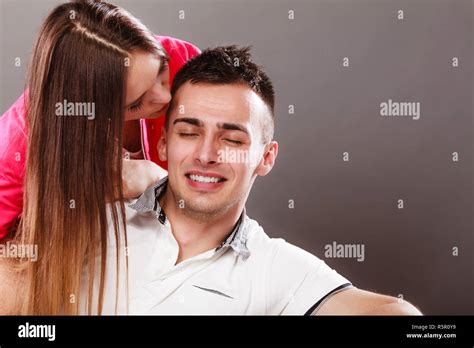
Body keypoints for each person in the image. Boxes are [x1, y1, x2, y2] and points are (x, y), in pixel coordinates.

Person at [79, 46, 423, 315]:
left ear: (266, 157)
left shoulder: (277, 269)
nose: (206, 154)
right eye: (189, 132)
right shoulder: (93, 220)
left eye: (232, 140)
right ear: (164, 143)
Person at [0, 0, 199, 315]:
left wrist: (151, 176)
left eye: (161, 71)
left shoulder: (184, 62)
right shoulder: (17, 149)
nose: (165, 97)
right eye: (136, 104)